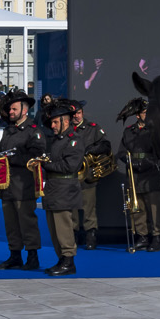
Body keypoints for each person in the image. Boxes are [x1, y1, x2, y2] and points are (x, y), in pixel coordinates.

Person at [0, 88, 43, 271]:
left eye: (14, 109)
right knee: (11, 224)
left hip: (24, 185)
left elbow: (36, 156)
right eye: (10, 110)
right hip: (7, 185)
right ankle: (15, 255)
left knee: (27, 222)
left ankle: (32, 257)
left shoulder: (33, 131)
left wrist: (11, 158)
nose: (11, 112)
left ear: (24, 109)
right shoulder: (8, 131)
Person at [39, 99, 86, 276]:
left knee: (63, 227)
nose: (52, 125)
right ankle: (61, 259)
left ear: (65, 121)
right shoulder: (56, 140)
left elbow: (70, 166)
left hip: (65, 188)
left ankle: (68, 260)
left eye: (55, 121)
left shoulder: (74, 140)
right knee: (53, 228)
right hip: (53, 188)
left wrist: (47, 164)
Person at [120, 102, 160, 251]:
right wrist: (128, 161)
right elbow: (121, 151)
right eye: (145, 113)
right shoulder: (129, 131)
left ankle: (157, 237)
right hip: (134, 174)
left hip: (151, 173)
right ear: (138, 115)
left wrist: (147, 163)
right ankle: (142, 236)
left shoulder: (156, 130)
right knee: (137, 207)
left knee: (154, 208)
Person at [67, 100, 105, 249]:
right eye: (73, 114)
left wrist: (91, 151)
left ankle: (91, 236)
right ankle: (74, 235)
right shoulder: (67, 129)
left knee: (89, 208)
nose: (76, 116)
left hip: (88, 175)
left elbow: (105, 144)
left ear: (82, 113)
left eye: (78, 113)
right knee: (72, 209)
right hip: (71, 176)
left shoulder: (92, 128)